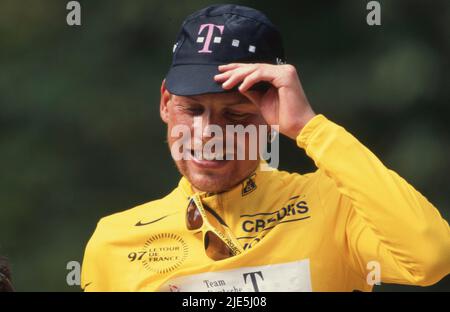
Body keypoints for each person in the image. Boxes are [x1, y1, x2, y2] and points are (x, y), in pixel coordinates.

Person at [81, 4, 449, 292]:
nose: (208, 132)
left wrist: (309, 127)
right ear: (165, 103)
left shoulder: (331, 205)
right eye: (191, 109)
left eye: (236, 116)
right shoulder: (114, 241)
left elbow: (430, 257)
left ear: (271, 120)